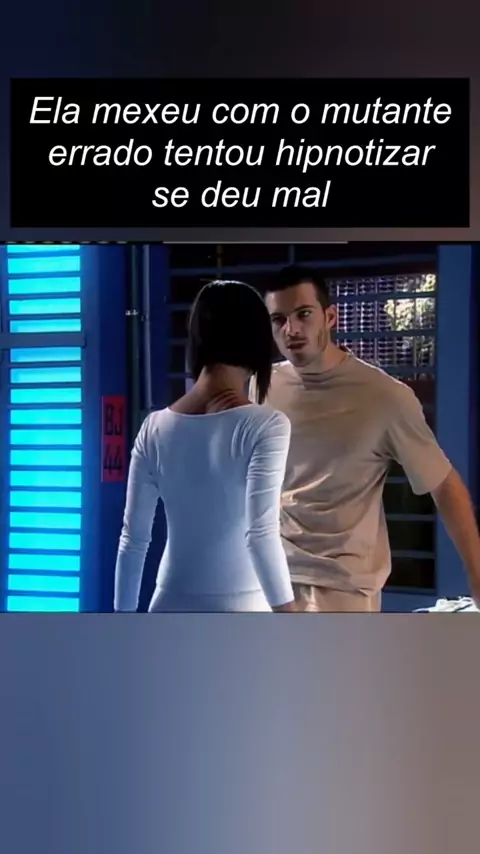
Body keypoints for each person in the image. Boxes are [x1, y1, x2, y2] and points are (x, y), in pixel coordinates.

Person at [250, 265, 480, 612]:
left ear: (330, 317)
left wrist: (476, 574)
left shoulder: (385, 397)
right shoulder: (261, 386)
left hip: (344, 588)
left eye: (303, 314)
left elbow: (445, 485)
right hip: (269, 580)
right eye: (278, 319)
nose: (291, 329)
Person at [114, 280, 297, 613]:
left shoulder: (154, 428)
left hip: (168, 605)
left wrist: (122, 623)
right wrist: (293, 623)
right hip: (244, 610)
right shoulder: (267, 425)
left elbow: (133, 540)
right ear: (257, 340)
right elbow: (261, 535)